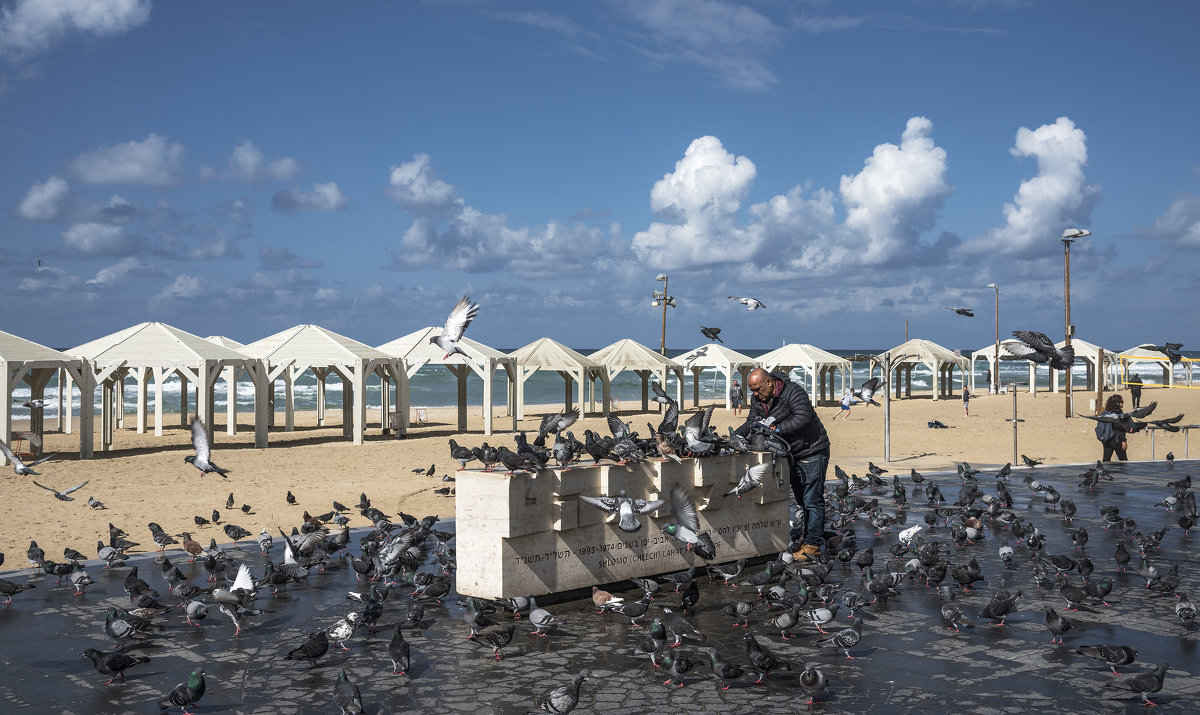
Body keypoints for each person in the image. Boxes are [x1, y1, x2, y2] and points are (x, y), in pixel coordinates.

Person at [735, 367, 830, 563]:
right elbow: (752, 421)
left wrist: (776, 429)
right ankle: (810, 537)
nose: (755, 394)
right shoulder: (757, 399)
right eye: (752, 390)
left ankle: (813, 545)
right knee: (802, 501)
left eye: (758, 389)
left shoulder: (793, 391)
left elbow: (803, 417)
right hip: (791, 454)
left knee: (812, 500)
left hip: (812, 449)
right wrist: (735, 436)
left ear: (769, 382)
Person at [1096, 394, 1129, 462]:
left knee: (1106, 460)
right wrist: (1123, 441)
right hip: (1117, 440)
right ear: (1117, 403)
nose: (1122, 403)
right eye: (1121, 402)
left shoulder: (1105, 413)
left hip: (1107, 439)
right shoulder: (1119, 414)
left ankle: (1103, 472)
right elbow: (1121, 429)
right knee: (1123, 461)